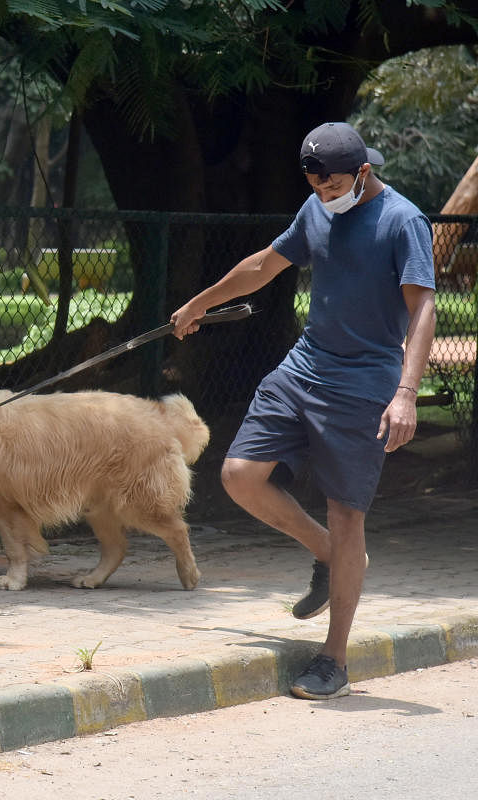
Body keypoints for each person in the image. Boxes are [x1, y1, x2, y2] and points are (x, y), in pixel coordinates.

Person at [170, 121, 436, 700]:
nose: (324, 195)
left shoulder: (402, 221)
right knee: (239, 476)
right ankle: (329, 554)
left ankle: (333, 659)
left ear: (363, 172)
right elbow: (265, 265)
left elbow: (422, 311)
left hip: (365, 385)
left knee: (348, 517)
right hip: (304, 368)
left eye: (334, 185)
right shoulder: (317, 209)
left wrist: (406, 393)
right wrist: (197, 303)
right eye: (316, 186)